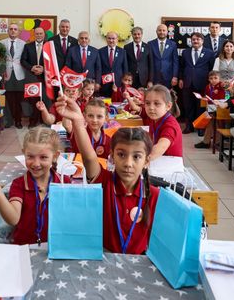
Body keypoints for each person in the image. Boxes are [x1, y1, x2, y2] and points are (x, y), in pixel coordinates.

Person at [56, 96, 160, 254]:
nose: (128, 163)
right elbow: (89, 157)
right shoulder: (105, 182)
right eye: (121, 154)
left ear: (147, 161)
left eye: (137, 156)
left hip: (139, 265)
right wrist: (77, 121)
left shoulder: (154, 195)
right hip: (105, 260)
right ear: (111, 157)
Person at [0, 127, 70, 245]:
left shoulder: (64, 182)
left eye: (43, 157)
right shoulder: (19, 184)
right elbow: (13, 219)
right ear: (24, 153)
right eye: (30, 156)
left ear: (55, 156)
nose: (36, 163)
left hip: (57, 246)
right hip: (24, 247)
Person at [127, 85, 182, 158]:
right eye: (147, 103)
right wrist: (128, 97)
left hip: (169, 165)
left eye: (157, 103)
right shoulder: (152, 116)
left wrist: (137, 158)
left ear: (168, 106)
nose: (151, 108)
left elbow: (161, 147)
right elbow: (135, 108)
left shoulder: (170, 125)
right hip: (156, 161)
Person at [179, 32, 214, 134]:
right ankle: (189, 126)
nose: (195, 41)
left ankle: (200, 127)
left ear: (202, 41)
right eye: (193, 39)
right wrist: (181, 78)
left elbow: (211, 68)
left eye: (198, 39)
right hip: (187, 83)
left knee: (201, 106)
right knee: (188, 106)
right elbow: (181, 67)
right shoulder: (185, 52)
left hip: (202, 83)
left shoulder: (209, 53)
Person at [0, 23, 27, 129]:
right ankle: (9, 120)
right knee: (9, 99)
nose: (13, 31)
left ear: (18, 31)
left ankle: (18, 120)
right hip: (7, 74)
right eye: (11, 29)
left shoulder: (24, 44)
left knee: (19, 100)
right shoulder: (2, 43)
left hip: (19, 75)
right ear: (8, 31)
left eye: (15, 29)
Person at [21, 27, 48, 127]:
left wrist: (43, 69)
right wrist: (32, 68)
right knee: (33, 100)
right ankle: (33, 121)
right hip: (32, 76)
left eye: (41, 33)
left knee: (44, 99)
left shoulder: (49, 46)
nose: (39, 35)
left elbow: (53, 62)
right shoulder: (28, 46)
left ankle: (43, 119)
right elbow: (23, 60)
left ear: (44, 34)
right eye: (37, 34)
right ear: (34, 34)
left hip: (45, 77)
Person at [195, 71, 226, 149]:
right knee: (211, 122)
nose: (213, 80)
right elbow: (207, 97)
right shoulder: (208, 87)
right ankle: (214, 142)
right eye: (211, 78)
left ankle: (210, 142)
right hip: (211, 108)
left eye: (216, 78)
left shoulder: (220, 85)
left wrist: (224, 84)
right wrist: (203, 98)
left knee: (216, 123)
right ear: (208, 79)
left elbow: (225, 86)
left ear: (219, 79)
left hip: (220, 108)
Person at [99, 32, 128, 97]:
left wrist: (125, 83)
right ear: (106, 39)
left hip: (118, 83)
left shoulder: (122, 52)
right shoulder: (100, 51)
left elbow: (125, 69)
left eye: (113, 38)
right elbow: (99, 68)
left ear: (117, 39)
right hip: (104, 84)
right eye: (109, 38)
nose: (111, 40)